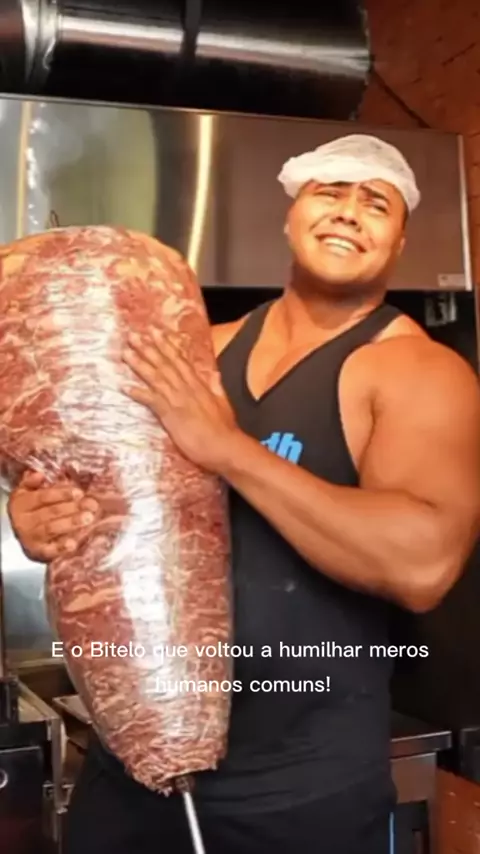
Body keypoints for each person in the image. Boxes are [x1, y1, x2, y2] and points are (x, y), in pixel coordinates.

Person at [8, 134, 480, 854]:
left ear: (400, 241)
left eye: (376, 203)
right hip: (130, 763)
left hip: (299, 796)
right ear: (290, 217)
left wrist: (228, 448)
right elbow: (94, 478)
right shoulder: (193, 348)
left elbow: (422, 565)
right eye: (330, 192)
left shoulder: (418, 372)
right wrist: (40, 514)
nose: (349, 211)